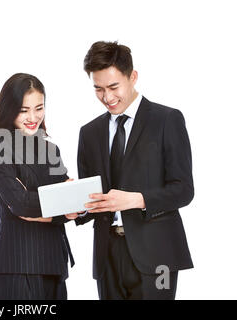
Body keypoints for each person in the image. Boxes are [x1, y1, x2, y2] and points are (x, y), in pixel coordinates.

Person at [75, 41, 194, 300]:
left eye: (114, 87)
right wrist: (75, 206)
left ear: (133, 77)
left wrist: (135, 200)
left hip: (158, 256)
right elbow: (89, 199)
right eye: (98, 88)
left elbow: (183, 190)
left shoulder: (167, 120)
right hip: (107, 257)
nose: (107, 97)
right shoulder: (89, 133)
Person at [0, 73, 79, 300]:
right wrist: (60, 206)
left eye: (39, 108)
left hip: (54, 264)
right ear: (9, 109)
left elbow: (73, 203)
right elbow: (20, 204)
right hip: (17, 264)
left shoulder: (50, 151)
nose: (33, 117)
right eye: (24, 110)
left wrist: (55, 208)